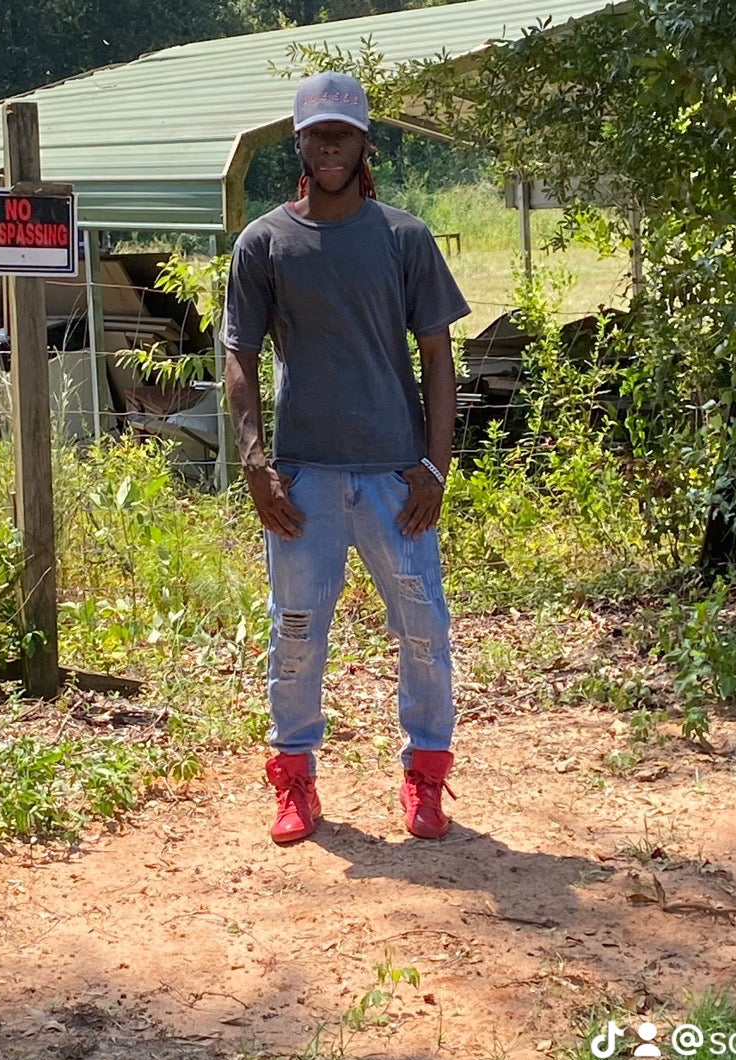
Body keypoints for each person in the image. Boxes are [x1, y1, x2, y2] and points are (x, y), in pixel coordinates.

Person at [222, 71, 470, 845]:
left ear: (366, 143)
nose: (329, 146)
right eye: (315, 133)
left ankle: (425, 778)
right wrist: (256, 463)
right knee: (296, 630)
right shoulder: (265, 243)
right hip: (304, 479)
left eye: (343, 133)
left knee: (423, 627)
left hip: (395, 476)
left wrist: (435, 466)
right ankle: (295, 781)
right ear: (297, 144)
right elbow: (238, 355)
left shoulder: (404, 238)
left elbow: (437, 357)